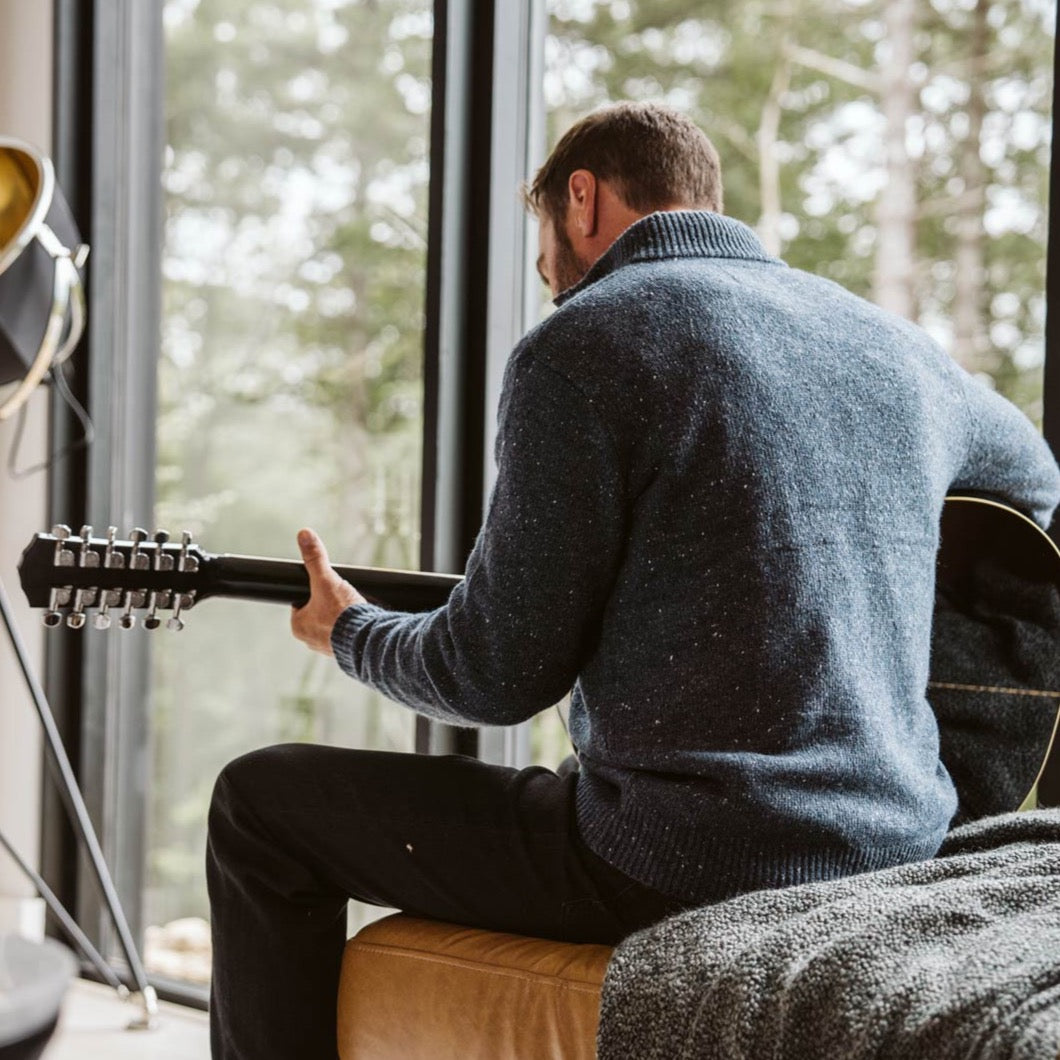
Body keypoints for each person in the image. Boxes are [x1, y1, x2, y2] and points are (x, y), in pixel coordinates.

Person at [206, 101, 1060, 1059]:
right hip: (893, 839)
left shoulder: (585, 343)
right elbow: (1034, 483)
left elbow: (495, 677)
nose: (552, 285)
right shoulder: (890, 346)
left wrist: (353, 633)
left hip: (682, 859)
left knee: (258, 803)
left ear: (583, 200)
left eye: (545, 259)